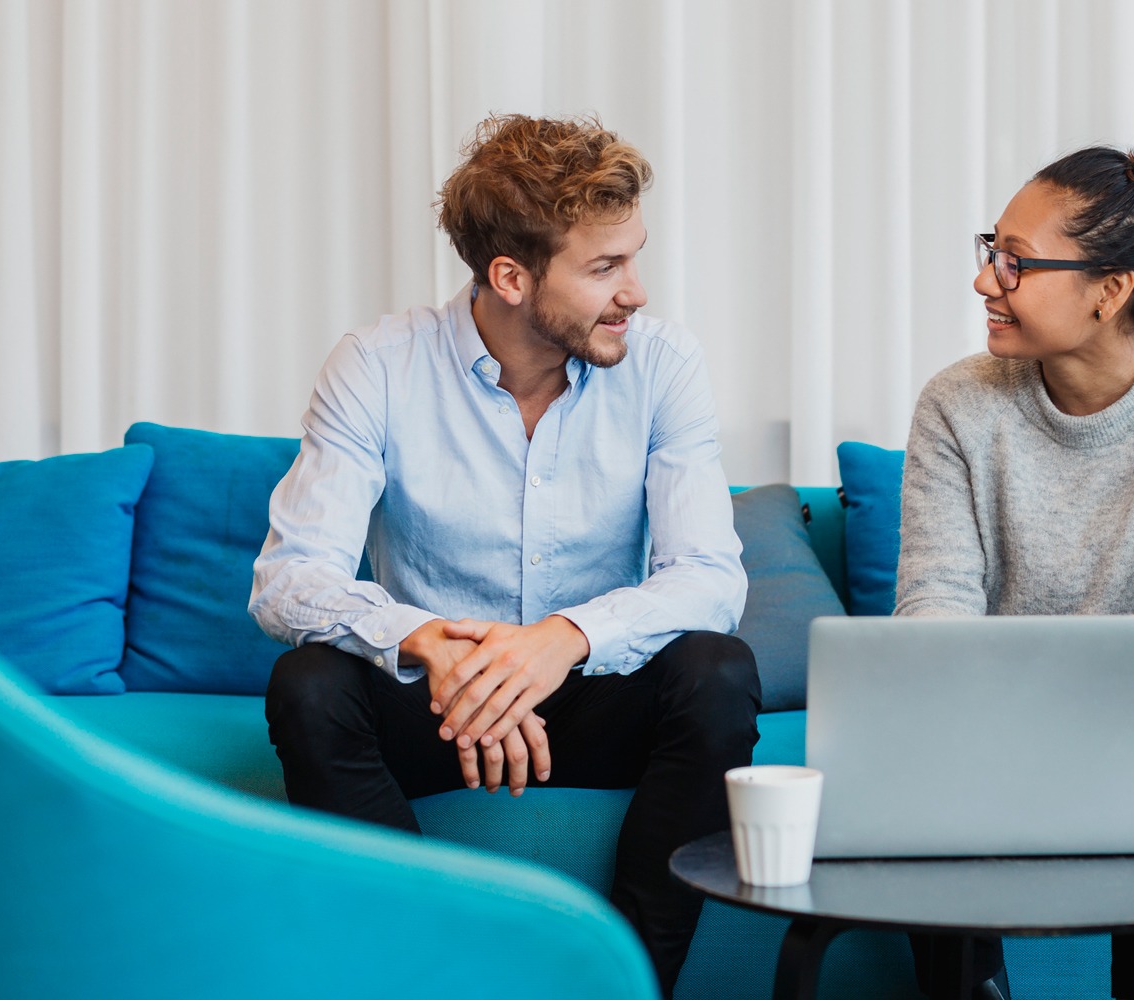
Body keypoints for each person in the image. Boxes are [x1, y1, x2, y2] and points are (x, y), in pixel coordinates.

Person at [250, 114, 759, 998]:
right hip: (442, 708)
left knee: (717, 673)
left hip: (596, 695)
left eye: (633, 258)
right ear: (511, 276)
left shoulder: (664, 365)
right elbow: (289, 580)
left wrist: (559, 639)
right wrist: (434, 646)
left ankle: (631, 984)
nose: (635, 292)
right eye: (605, 268)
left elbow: (710, 577)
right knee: (309, 687)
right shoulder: (377, 366)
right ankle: (417, 978)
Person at [896, 146, 1134, 1000]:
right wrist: (1014, 683)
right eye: (993, 248)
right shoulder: (958, 402)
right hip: (997, 690)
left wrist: (1085, 673)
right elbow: (935, 603)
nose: (986, 281)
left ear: (1109, 293)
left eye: (1017, 263)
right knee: (925, 724)